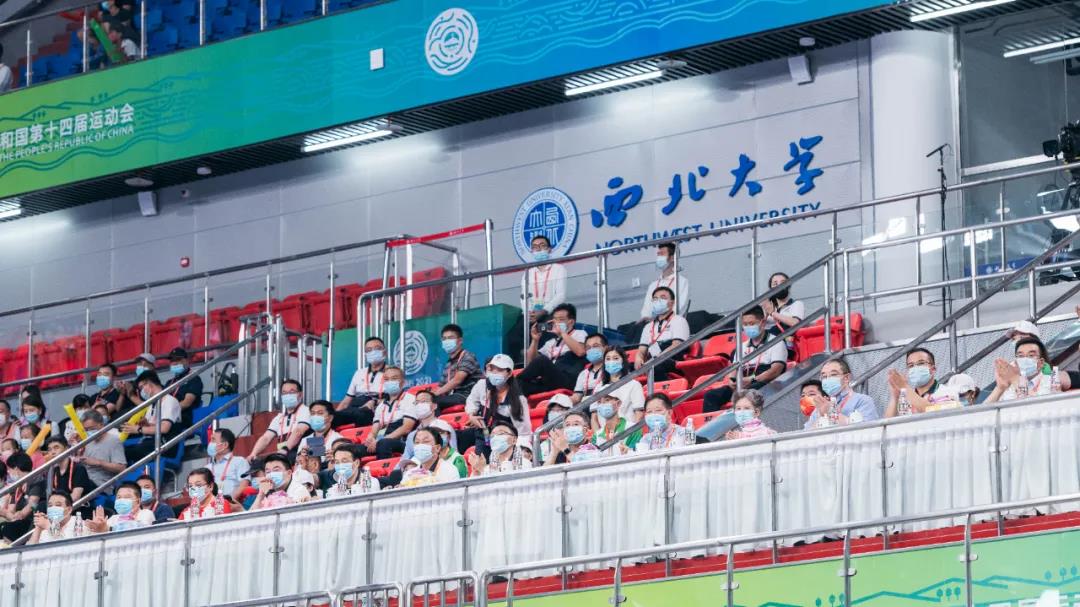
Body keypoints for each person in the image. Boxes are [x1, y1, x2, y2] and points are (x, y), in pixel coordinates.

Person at [703, 306, 787, 412]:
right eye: (745, 324)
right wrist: (732, 380)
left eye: (751, 323)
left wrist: (752, 379)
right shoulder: (742, 346)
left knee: (749, 392)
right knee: (711, 396)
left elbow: (775, 371)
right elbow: (734, 370)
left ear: (763, 322)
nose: (748, 327)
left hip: (765, 384)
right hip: (744, 383)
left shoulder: (776, 342)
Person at [463, 354, 532, 448]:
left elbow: (523, 433)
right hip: (483, 433)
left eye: (499, 370)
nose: (494, 373)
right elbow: (471, 400)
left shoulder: (518, 400)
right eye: (492, 369)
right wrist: (471, 415)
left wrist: (518, 450)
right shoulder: (482, 385)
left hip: (504, 440)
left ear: (509, 373)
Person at [520, 303, 588, 396]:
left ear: (571, 322)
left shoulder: (579, 333)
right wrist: (535, 340)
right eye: (555, 319)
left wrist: (563, 333)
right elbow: (531, 361)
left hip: (569, 380)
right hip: (551, 381)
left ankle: (511, 386)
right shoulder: (551, 342)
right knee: (524, 385)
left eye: (560, 320)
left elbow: (580, 352)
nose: (556, 323)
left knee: (542, 360)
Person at [357, 366, 422, 460]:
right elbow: (374, 430)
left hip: (401, 442)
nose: (390, 381)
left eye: (394, 378)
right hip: (381, 440)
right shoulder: (381, 405)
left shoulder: (410, 399)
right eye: (386, 379)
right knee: (352, 450)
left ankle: (384, 469)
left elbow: (406, 428)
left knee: (384, 444)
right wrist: (371, 438)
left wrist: (381, 440)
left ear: (403, 382)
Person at [986, 337, 1072, 402]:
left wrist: (1015, 379)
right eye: (1020, 356)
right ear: (1016, 361)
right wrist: (1000, 388)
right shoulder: (1009, 384)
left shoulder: (1051, 380)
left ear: (1041, 362)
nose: (1025, 359)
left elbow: (1036, 408)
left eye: (1031, 355)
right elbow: (981, 413)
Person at [122, 370, 182, 463]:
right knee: (120, 451)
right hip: (151, 443)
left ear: (149, 384)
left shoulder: (169, 401)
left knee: (125, 453)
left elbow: (164, 428)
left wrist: (138, 429)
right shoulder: (152, 404)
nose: (141, 392)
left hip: (166, 444)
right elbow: (155, 426)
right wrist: (146, 424)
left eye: (141, 387)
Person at [804, 359, 881, 428]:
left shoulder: (862, 401)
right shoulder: (821, 406)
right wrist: (821, 417)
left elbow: (868, 430)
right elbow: (805, 434)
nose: (827, 379)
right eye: (824, 376)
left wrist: (831, 412)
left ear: (846, 378)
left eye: (833, 375)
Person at [635, 286, 691, 381]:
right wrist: (638, 358)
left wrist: (657, 359)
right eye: (655, 299)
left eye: (663, 298)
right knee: (626, 367)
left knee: (656, 366)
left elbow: (677, 345)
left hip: (672, 361)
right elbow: (641, 350)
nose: (658, 301)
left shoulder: (679, 320)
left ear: (672, 303)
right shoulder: (648, 327)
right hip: (653, 361)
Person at [885, 348, 961, 417]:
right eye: (911, 366)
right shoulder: (906, 398)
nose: (915, 368)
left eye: (921, 363)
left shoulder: (949, 392)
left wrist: (904, 387)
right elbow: (887, 423)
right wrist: (895, 396)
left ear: (933, 369)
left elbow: (937, 414)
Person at [334, 337, 388, 428]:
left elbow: (395, 399)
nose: (373, 352)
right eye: (369, 350)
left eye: (377, 348)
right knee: (328, 418)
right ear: (366, 354)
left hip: (374, 409)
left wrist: (374, 402)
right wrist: (335, 415)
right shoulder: (359, 373)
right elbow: (346, 401)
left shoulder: (392, 372)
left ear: (385, 352)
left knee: (362, 413)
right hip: (356, 407)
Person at [249, 379, 311, 457]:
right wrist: (253, 453)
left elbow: (299, 431)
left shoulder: (306, 411)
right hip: (284, 455)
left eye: (291, 392)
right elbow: (266, 438)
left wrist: (285, 449)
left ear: (300, 395)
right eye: (284, 393)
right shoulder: (279, 418)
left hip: (301, 455)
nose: (288, 395)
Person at [432, 324, 484, 413]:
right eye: (444, 339)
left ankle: (436, 422)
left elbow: (457, 380)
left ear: (460, 341)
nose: (447, 341)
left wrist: (436, 394)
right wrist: (428, 395)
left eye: (450, 338)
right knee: (424, 401)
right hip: (454, 396)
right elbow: (441, 386)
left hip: (467, 396)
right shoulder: (449, 363)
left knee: (433, 402)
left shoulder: (467, 356)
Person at [79, 410, 127, 494]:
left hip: (102, 485)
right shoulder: (87, 441)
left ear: (101, 425)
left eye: (92, 428)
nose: (89, 431)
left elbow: (121, 468)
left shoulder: (113, 440)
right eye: (86, 429)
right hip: (85, 480)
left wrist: (99, 463)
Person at [43, 436, 97, 510]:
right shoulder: (53, 471)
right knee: (41, 506)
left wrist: (57, 505)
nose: (52, 452)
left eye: (56, 448)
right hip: (61, 508)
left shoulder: (79, 468)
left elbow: (75, 497)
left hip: (79, 508)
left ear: (66, 449)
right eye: (50, 449)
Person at [0, 453, 44, 542]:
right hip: (18, 521)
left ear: (16, 469)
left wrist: (22, 513)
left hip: (32, 520)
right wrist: (9, 514)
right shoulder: (16, 486)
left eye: (9, 469)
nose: (8, 472)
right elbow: (11, 509)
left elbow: (34, 503)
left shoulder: (35, 479)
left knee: (8, 528)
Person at [640, 242, 691, 319]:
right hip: (653, 323)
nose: (658, 257)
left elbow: (680, 308)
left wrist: (662, 319)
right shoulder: (653, 285)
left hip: (672, 322)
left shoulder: (681, 282)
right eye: (658, 254)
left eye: (662, 254)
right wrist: (647, 319)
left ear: (672, 258)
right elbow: (646, 309)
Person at [595, 347, 646, 423]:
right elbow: (594, 418)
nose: (611, 362)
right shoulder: (599, 387)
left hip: (627, 428)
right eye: (608, 359)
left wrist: (631, 430)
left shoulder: (634, 385)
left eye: (615, 358)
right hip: (604, 430)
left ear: (623, 362)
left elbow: (639, 414)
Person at [762, 272, 805, 359]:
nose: (779, 286)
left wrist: (773, 313)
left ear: (788, 286)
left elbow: (795, 323)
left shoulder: (796, 304)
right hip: (765, 346)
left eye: (783, 282)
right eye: (775, 284)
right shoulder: (768, 306)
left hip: (785, 345)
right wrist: (765, 313)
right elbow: (759, 327)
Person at [466, 421, 532, 475]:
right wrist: (477, 472)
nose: (496, 437)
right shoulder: (488, 467)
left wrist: (482, 470)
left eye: (501, 433)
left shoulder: (524, 463)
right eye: (492, 435)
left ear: (514, 440)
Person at [87, 481, 154, 532]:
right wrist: (97, 526)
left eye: (127, 497)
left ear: (138, 501)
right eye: (119, 497)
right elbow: (103, 529)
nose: (122, 500)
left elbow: (139, 529)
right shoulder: (114, 518)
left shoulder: (146, 513)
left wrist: (109, 529)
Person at [167, 348, 204, 431]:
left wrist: (168, 411)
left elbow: (186, 403)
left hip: (184, 418)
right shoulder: (169, 382)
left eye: (178, 360)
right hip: (169, 417)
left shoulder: (193, 379)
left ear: (186, 361)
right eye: (172, 361)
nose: (174, 363)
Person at [207, 428, 250, 497]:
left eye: (213, 440)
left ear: (225, 445)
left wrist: (231, 501)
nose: (210, 443)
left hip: (232, 501)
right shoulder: (207, 468)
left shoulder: (239, 461)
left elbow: (244, 485)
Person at [572, 333, 608, 404]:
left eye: (595, 346)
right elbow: (577, 397)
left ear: (606, 348)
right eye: (588, 348)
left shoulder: (611, 368)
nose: (591, 350)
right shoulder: (583, 374)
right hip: (585, 406)